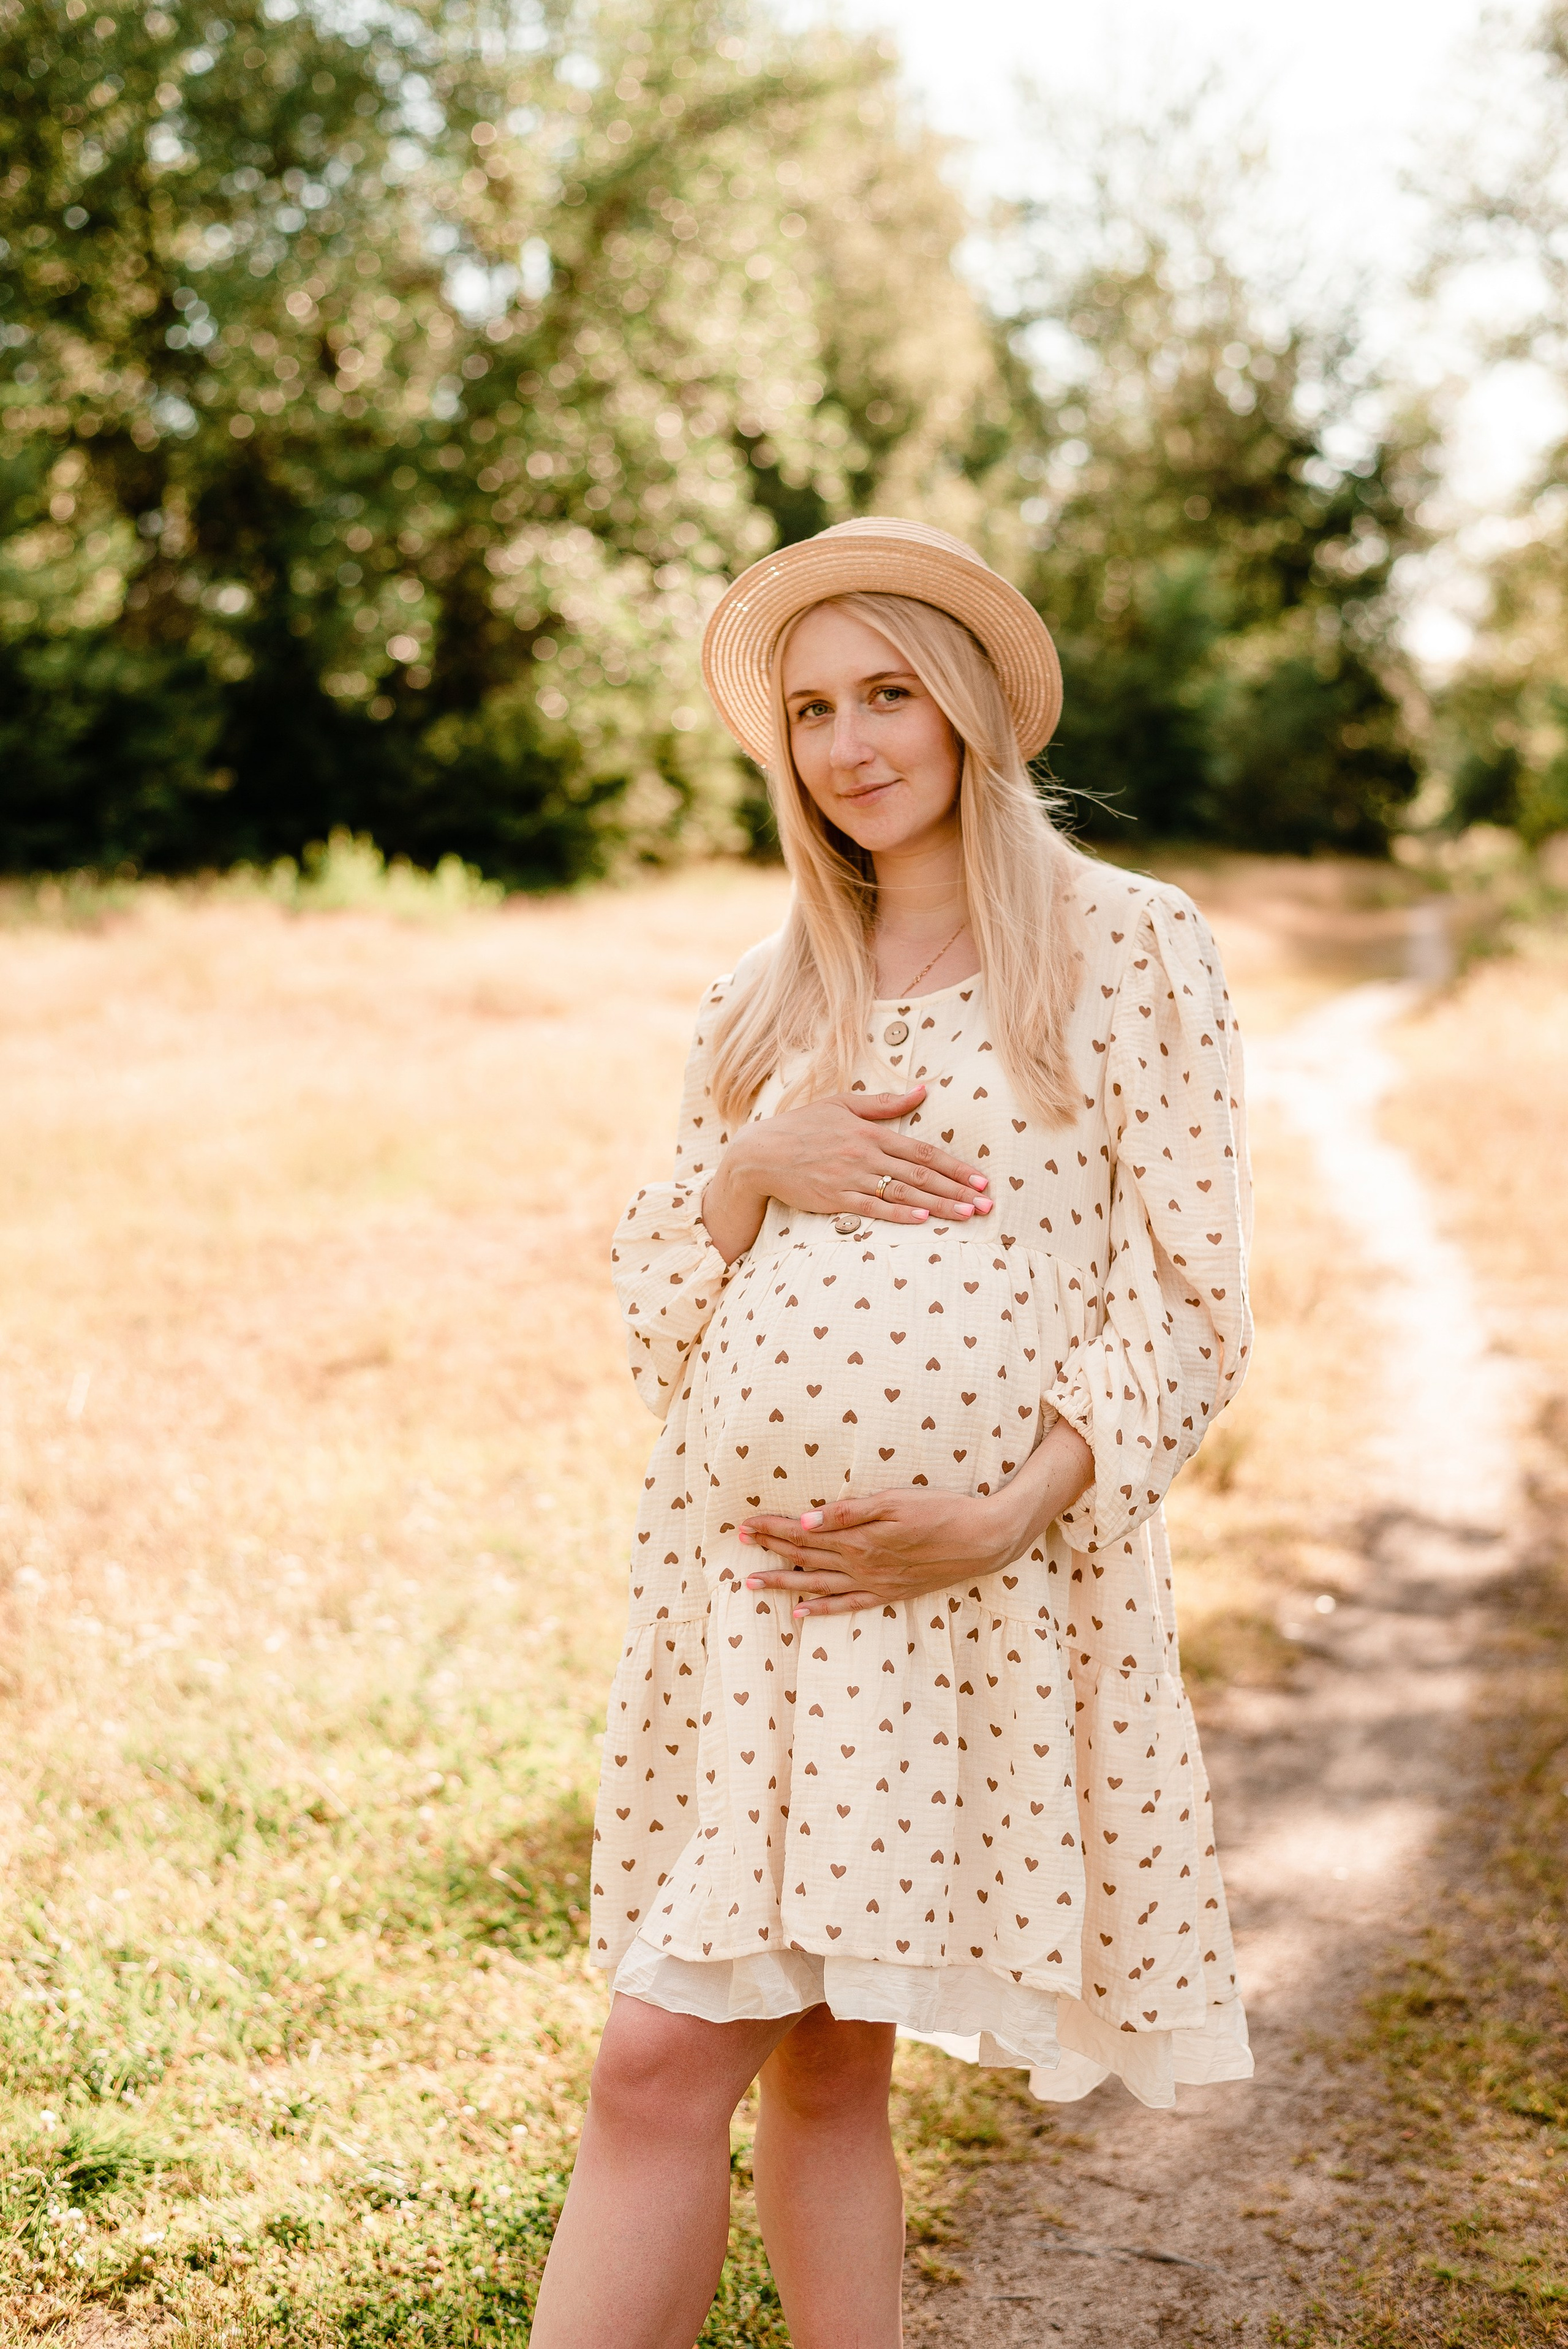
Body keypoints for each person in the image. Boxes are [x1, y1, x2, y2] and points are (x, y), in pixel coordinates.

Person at [530, 518, 1254, 2349]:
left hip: (954, 1602)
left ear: (967, 711)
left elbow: (1188, 1299)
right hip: (749, 1599)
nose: (851, 744)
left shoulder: (1125, 948)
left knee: (811, 2073)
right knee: (677, 2068)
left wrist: (1012, 1507)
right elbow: (652, 1311)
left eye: (886, 694)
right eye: (812, 711)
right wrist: (754, 1168)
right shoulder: (762, 1001)